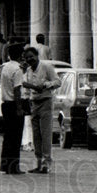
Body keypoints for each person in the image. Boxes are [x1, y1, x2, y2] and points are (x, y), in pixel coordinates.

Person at [21, 46, 60, 174]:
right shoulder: (28, 71)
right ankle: (38, 163)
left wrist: (46, 85)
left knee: (45, 134)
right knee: (36, 135)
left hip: (46, 102)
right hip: (34, 103)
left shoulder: (46, 67)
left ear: (37, 55)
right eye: (27, 58)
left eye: (31, 57)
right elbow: (26, 89)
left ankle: (46, 164)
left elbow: (57, 82)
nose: (29, 60)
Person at [0, 43, 27, 175]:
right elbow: (17, 90)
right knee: (16, 137)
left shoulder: (5, 67)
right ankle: (14, 167)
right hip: (13, 105)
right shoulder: (17, 69)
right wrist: (19, 108)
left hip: (5, 104)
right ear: (20, 55)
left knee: (8, 137)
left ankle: (5, 165)